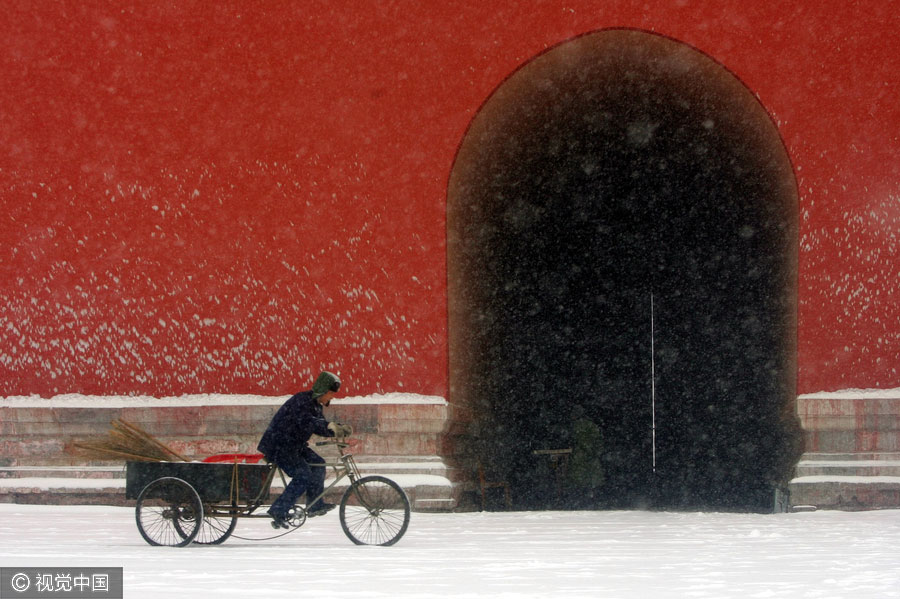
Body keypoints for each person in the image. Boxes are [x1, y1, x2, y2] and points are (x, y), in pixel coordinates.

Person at [257, 371, 352, 528]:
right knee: (303, 475)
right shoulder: (301, 401)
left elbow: (319, 425)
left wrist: (336, 429)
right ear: (322, 390)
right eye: (330, 393)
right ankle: (279, 510)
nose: (331, 397)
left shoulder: (315, 405)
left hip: (294, 446)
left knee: (318, 463)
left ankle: (315, 505)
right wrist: (328, 426)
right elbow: (308, 423)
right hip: (279, 445)